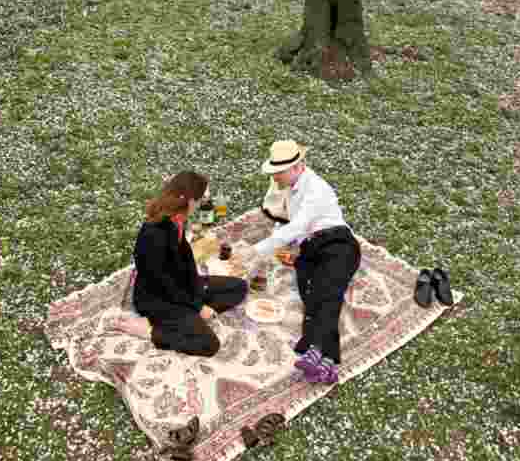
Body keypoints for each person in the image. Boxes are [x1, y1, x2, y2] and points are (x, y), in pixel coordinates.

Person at [234, 141, 361, 384]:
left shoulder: (316, 189)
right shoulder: (292, 187)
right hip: (310, 249)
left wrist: (256, 250)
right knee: (311, 294)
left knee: (328, 292)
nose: (275, 177)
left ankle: (319, 353)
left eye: (278, 172)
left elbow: (299, 225)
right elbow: (290, 223)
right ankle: (325, 363)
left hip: (337, 244)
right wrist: (289, 244)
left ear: (298, 167)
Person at [110, 171, 247, 356]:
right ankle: (150, 329)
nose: (201, 204)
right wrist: (197, 305)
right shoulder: (153, 233)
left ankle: (191, 317)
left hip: (182, 286)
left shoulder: (177, 219)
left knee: (238, 287)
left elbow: (185, 262)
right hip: (159, 298)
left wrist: (197, 293)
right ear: (190, 200)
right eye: (200, 199)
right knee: (208, 344)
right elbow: (161, 283)